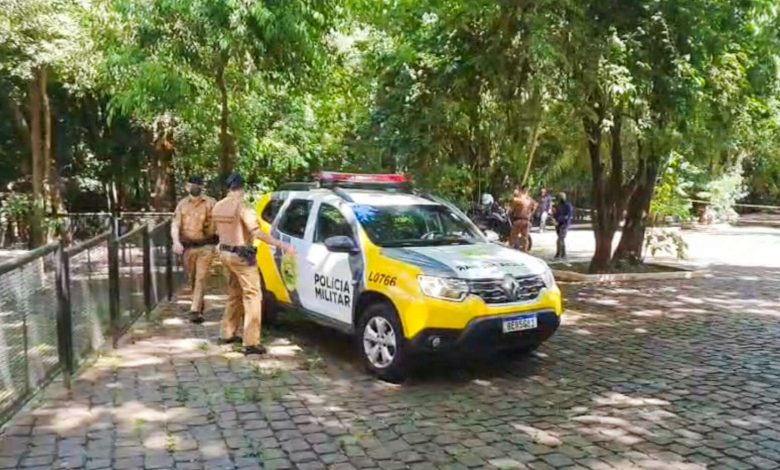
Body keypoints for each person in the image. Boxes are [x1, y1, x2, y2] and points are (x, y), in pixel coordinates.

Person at [211, 172, 294, 355]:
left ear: (228, 188)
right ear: (242, 188)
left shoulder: (217, 206)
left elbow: (215, 230)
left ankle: (227, 333)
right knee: (253, 296)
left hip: (224, 253)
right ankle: (251, 342)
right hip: (241, 257)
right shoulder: (242, 207)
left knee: (234, 292)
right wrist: (282, 245)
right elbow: (257, 233)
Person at [171, 175, 217, 324]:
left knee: (201, 277)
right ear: (186, 186)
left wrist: (220, 242)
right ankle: (198, 304)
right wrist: (176, 241)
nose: (195, 187)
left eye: (198, 184)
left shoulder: (211, 203)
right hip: (188, 247)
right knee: (192, 278)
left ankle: (194, 310)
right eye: (192, 184)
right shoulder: (182, 205)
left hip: (206, 246)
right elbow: (175, 224)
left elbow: (219, 223)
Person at [509, 186, 536, 252]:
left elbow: (511, 209)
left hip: (518, 220)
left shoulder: (518, 199)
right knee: (525, 238)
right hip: (526, 220)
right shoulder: (530, 200)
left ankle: (511, 250)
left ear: (521, 191)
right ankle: (525, 251)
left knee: (513, 237)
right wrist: (531, 214)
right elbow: (535, 206)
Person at [553, 192, 574, 259]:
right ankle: (563, 254)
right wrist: (554, 219)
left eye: (561, 197)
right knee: (561, 239)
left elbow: (568, 216)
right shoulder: (557, 205)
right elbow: (555, 214)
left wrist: (559, 219)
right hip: (558, 224)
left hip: (564, 224)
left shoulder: (568, 205)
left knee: (560, 239)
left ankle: (559, 254)